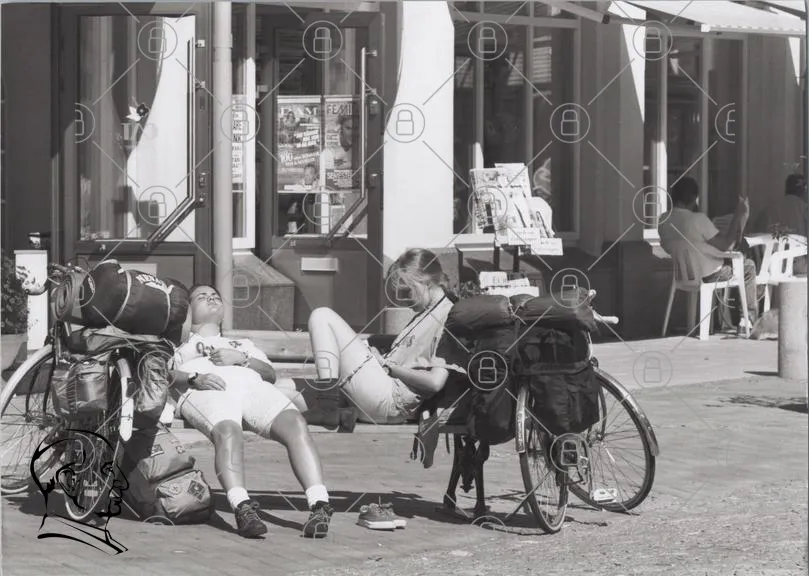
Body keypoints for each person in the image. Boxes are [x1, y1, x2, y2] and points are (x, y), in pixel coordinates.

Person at [172, 285, 334, 539]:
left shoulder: (243, 344)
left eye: (215, 296)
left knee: (295, 423)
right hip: (208, 389)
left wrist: (242, 358)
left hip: (252, 387)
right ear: (189, 311)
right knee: (228, 432)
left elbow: (269, 374)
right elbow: (163, 373)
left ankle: (319, 504)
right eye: (201, 296)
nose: (211, 298)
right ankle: (242, 507)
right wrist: (194, 378)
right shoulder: (179, 344)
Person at [306, 248, 465, 426]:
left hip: (391, 399)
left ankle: (327, 408)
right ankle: (341, 412)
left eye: (406, 291)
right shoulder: (427, 312)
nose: (403, 300)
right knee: (288, 390)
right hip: (379, 392)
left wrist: (389, 367)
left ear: (426, 282)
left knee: (322, 315)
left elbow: (435, 382)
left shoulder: (448, 318)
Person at [659, 176, 758, 333]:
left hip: (683, 275)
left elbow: (668, 246)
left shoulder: (663, 220)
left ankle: (718, 322)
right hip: (709, 274)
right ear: (693, 198)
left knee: (734, 263)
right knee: (748, 266)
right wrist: (737, 216)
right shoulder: (697, 219)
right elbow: (726, 245)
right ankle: (747, 321)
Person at [751, 173, 807, 275]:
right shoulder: (804, 209)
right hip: (799, 265)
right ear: (804, 190)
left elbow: (756, 235)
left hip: (771, 265)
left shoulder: (768, 209)